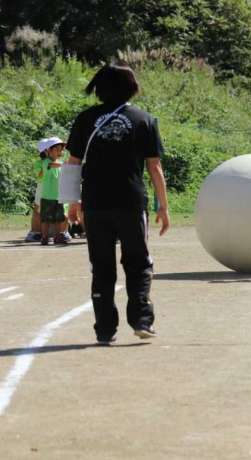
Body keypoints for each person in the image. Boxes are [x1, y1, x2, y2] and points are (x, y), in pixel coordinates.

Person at [65, 64, 170, 345]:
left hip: (95, 204)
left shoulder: (86, 119)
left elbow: (72, 162)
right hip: (131, 202)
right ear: (131, 88)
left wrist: (71, 201)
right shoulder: (144, 119)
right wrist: (163, 205)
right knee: (138, 262)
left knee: (101, 266)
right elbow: (154, 167)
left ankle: (104, 330)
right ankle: (142, 321)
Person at [36, 137, 71, 245]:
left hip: (58, 196)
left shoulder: (60, 162)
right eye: (56, 149)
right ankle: (45, 237)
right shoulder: (46, 162)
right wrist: (65, 164)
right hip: (47, 196)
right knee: (46, 219)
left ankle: (57, 236)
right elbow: (52, 165)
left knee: (58, 219)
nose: (59, 151)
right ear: (49, 150)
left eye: (60, 149)